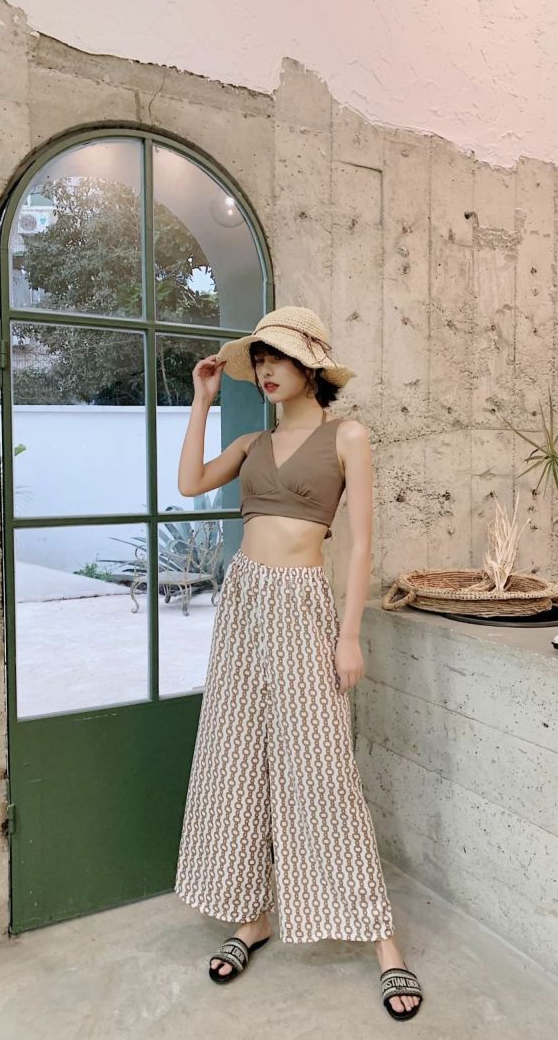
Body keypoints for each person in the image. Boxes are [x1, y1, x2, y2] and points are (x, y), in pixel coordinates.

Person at [173, 306, 424, 1022]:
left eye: (277, 356)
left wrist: (349, 634)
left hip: (303, 604)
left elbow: (361, 544)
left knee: (322, 769)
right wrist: (202, 400)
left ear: (311, 364)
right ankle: (252, 916)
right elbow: (189, 483)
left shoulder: (348, 436)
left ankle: (383, 941)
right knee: (237, 757)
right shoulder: (252, 443)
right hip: (244, 604)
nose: (265, 369)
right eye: (259, 359)